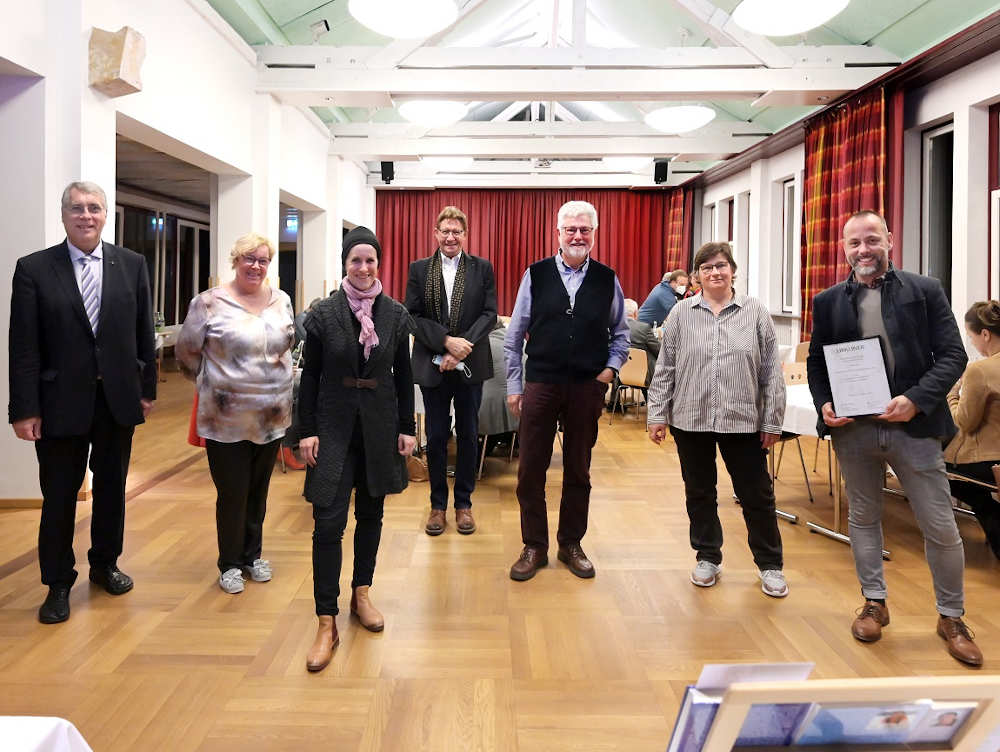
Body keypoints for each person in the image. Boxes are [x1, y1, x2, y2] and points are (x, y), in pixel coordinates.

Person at [806, 210, 981, 667]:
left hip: (914, 428)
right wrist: (825, 402)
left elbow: (952, 356)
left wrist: (916, 399)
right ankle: (874, 602)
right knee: (863, 518)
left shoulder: (925, 291)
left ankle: (951, 616)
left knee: (939, 524)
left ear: (890, 241)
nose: (863, 250)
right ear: (843, 249)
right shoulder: (827, 302)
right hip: (855, 430)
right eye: (853, 243)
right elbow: (819, 364)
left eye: (872, 240)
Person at [8, 181, 156, 624]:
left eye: (94, 208)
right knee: (58, 496)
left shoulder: (131, 264)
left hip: (116, 401)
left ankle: (105, 564)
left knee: (112, 491)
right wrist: (24, 408)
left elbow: (142, 333)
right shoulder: (34, 269)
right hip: (58, 404)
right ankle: (56, 583)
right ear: (64, 215)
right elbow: (23, 346)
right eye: (77, 208)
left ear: (105, 214)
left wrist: (146, 389)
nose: (86, 215)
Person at [298, 226, 416, 672]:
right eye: (355, 261)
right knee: (328, 520)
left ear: (378, 264)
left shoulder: (393, 314)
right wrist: (306, 429)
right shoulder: (324, 313)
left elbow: (402, 375)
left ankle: (361, 594)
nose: (363, 268)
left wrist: (407, 427)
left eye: (369, 260)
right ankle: (325, 619)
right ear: (344, 265)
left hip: (380, 427)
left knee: (371, 514)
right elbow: (310, 376)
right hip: (331, 427)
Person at [646, 242, 789, 598]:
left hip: (743, 420)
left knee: (756, 494)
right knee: (699, 493)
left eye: (721, 265)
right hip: (690, 419)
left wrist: (772, 420)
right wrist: (656, 414)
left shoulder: (755, 312)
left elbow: (772, 371)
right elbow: (665, 368)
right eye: (707, 267)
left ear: (732, 270)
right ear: (696, 276)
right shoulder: (680, 314)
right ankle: (708, 556)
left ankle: (770, 565)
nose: (715, 272)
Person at [503, 200, 629, 581]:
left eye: (584, 230)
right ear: (557, 233)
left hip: (585, 387)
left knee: (579, 469)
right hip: (541, 382)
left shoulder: (607, 279)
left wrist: (608, 372)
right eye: (570, 229)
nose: (577, 236)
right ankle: (534, 545)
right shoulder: (536, 275)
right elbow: (514, 336)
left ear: (594, 234)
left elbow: (621, 334)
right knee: (530, 471)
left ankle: (570, 543)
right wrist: (514, 385)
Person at [176, 232, 295, 595]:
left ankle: (252, 555)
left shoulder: (282, 300)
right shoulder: (209, 303)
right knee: (233, 492)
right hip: (225, 419)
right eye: (249, 259)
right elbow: (186, 355)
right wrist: (220, 385)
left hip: (272, 416)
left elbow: (287, 345)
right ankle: (229, 563)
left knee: (258, 490)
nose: (255, 266)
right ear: (235, 261)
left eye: (262, 260)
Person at [405, 206, 497, 536]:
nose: (450, 236)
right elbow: (412, 316)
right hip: (433, 364)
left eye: (456, 231)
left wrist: (461, 348)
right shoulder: (418, 270)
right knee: (438, 436)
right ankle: (437, 505)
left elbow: (490, 315)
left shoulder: (482, 268)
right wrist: (445, 343)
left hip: (470, 364)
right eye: (445, 230)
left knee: (470, 434)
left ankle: (464, 504)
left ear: (465, 235)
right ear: (435, 233)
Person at [944, 300, 1000, 558]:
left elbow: (965, 422)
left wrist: (953, 394)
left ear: (985, 334)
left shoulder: (979, 370)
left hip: (988, 461)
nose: (973, 343)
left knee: (934, 470)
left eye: (971, 336)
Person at [624, 297, 659, 385]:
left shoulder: (613, 328)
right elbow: (659, 351)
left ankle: (615, 396)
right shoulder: (644, 328)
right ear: (636, 313)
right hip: (642, 375)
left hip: (619, 373)